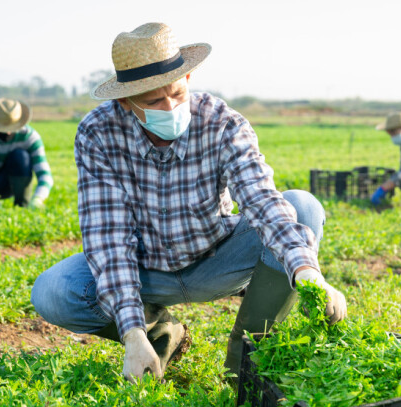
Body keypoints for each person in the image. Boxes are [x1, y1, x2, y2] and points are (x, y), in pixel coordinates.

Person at [31, 22, 347, 383]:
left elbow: (260, 199)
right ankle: (158, 336)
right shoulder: (98, 133)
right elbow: (108, 235)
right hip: (147, 269)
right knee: (54, 291)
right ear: (125, 101)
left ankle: (245, 363)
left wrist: (307, 273)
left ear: (189, 77)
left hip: (217, 258)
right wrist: (131, 331)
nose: (169, 107)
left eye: (177, 94)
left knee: (302, 207)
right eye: (153, 101)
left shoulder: (222, 122)